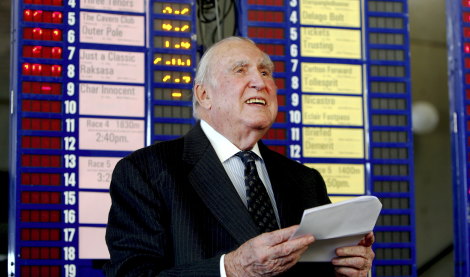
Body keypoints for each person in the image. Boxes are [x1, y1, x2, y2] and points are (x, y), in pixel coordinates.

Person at [104, 36, 375, 276]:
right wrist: (229, 269)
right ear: (204, 94)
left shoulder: (306, 180)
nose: (260, 82)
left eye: (266, 72)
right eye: (240, 70)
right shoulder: (145, 172)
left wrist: (349, 272)